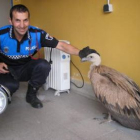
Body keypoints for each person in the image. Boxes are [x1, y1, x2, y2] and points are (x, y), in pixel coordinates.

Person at [0, 4, 98, 109]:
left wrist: (80, 53)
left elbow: (61, 45)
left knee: (44, 65)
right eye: (17, 20)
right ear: (10, 21)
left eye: (25, 20)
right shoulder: (2, 34)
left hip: (25, 67)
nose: (22, 25)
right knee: (11, 86)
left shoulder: (37, 34)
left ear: (29, 20)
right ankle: (6, 94)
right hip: (6, 69)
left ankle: (31, 94)